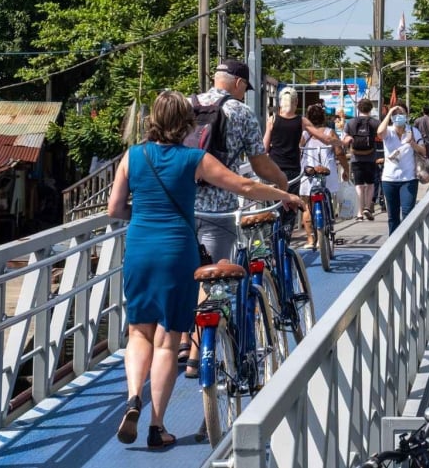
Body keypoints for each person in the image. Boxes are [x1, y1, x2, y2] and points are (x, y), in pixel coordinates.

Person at [107, 90, 302, 449]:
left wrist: (144, 217)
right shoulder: (195, 158)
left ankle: (134, 397)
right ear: (186, 123)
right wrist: (284, 195)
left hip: (138, 247)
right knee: (167, 341)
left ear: (153, 120)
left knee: (138, 333)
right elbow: (243, 185)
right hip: (176, 249)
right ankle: (156, 426)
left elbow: (115, 208)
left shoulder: (131, 156)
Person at [185, 61, 294, 373]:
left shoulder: (187, 105)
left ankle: (182, 341)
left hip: (183, 203)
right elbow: (259, 165)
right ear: (236, 83)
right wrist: (282, 185)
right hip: (218, 206)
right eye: (245, 87)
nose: (245, 94)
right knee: (213, 275)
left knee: (187, 274)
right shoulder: (240, 112)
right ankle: (197, 357)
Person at [300, 103, 347, 247]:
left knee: (306, 206)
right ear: (323, 117)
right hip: (326, 173)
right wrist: (346, 169)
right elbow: (339, 152)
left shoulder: (304, 134)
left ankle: (310, 239)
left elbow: (299, 151)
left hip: (308, 172)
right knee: (326, 199)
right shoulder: (329, 132)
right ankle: (327, 225)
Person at [377, 103, 427, 234]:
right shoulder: (389, 131)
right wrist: (389, 113)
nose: (398, 116)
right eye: (395, 114)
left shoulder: (413, 131)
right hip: (389, 179)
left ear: (407, 115)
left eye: (401, 113)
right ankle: (393, 246)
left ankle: (406, 242)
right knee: (392, 216)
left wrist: (412, 143)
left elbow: (423, 151)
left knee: (407, 213)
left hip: (408, 178)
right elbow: (379, 133)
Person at [345, 98, 382, 220]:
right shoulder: (375, 123)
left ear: (358, 108)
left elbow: (345, 139)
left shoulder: (350, 123)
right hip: (371, 158)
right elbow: (382, 135)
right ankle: (367, 207)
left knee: (359, 185)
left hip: (356, 158)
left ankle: (359, 213)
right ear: (370, 109)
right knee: (370, 184)